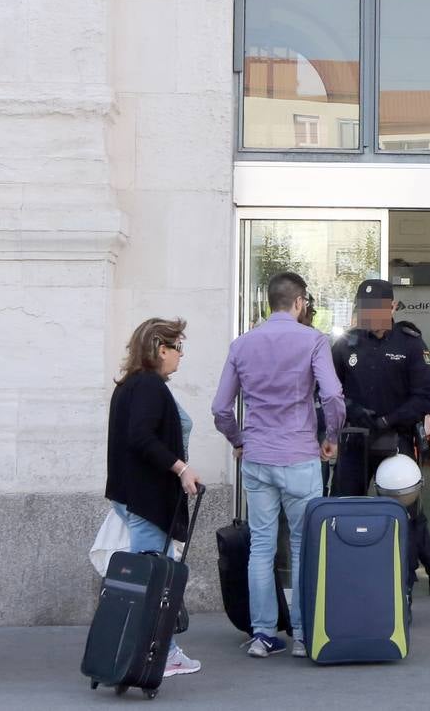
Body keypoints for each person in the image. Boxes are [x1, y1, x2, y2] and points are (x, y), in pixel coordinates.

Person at [212, 271, 345, 659]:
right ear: (300, 302)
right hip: (300, 456)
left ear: (270, 302)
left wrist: (239, 440)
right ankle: (302, 634)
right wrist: (331, 437)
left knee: (262, 547)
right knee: (304, 546)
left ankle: (264, 634)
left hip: (257, 457)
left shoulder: (242, 345)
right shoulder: (313, 340)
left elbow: (220, 408)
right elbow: (333, 396)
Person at [330, 279, 430, 594]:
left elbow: (424, 398)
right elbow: (331, 391)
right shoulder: (345, 345)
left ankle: (404, 584)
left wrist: (388, 419)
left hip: (395, 440)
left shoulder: (410, 343)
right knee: (346, 507)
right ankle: (349, 579)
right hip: (354, 439)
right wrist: (354, 412)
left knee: (404, 513)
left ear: (392, 307)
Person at [104, 317, 204, 677]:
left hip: (139, 495)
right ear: (161, 349)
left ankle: (150, 651)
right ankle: (161, 654)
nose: (180, 356)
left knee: (150, 577)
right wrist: (181, 468)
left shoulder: (133, 384)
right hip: (147, 498)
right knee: (154, 581)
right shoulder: (148, 386)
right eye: (178, 348)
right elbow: (142, 438)